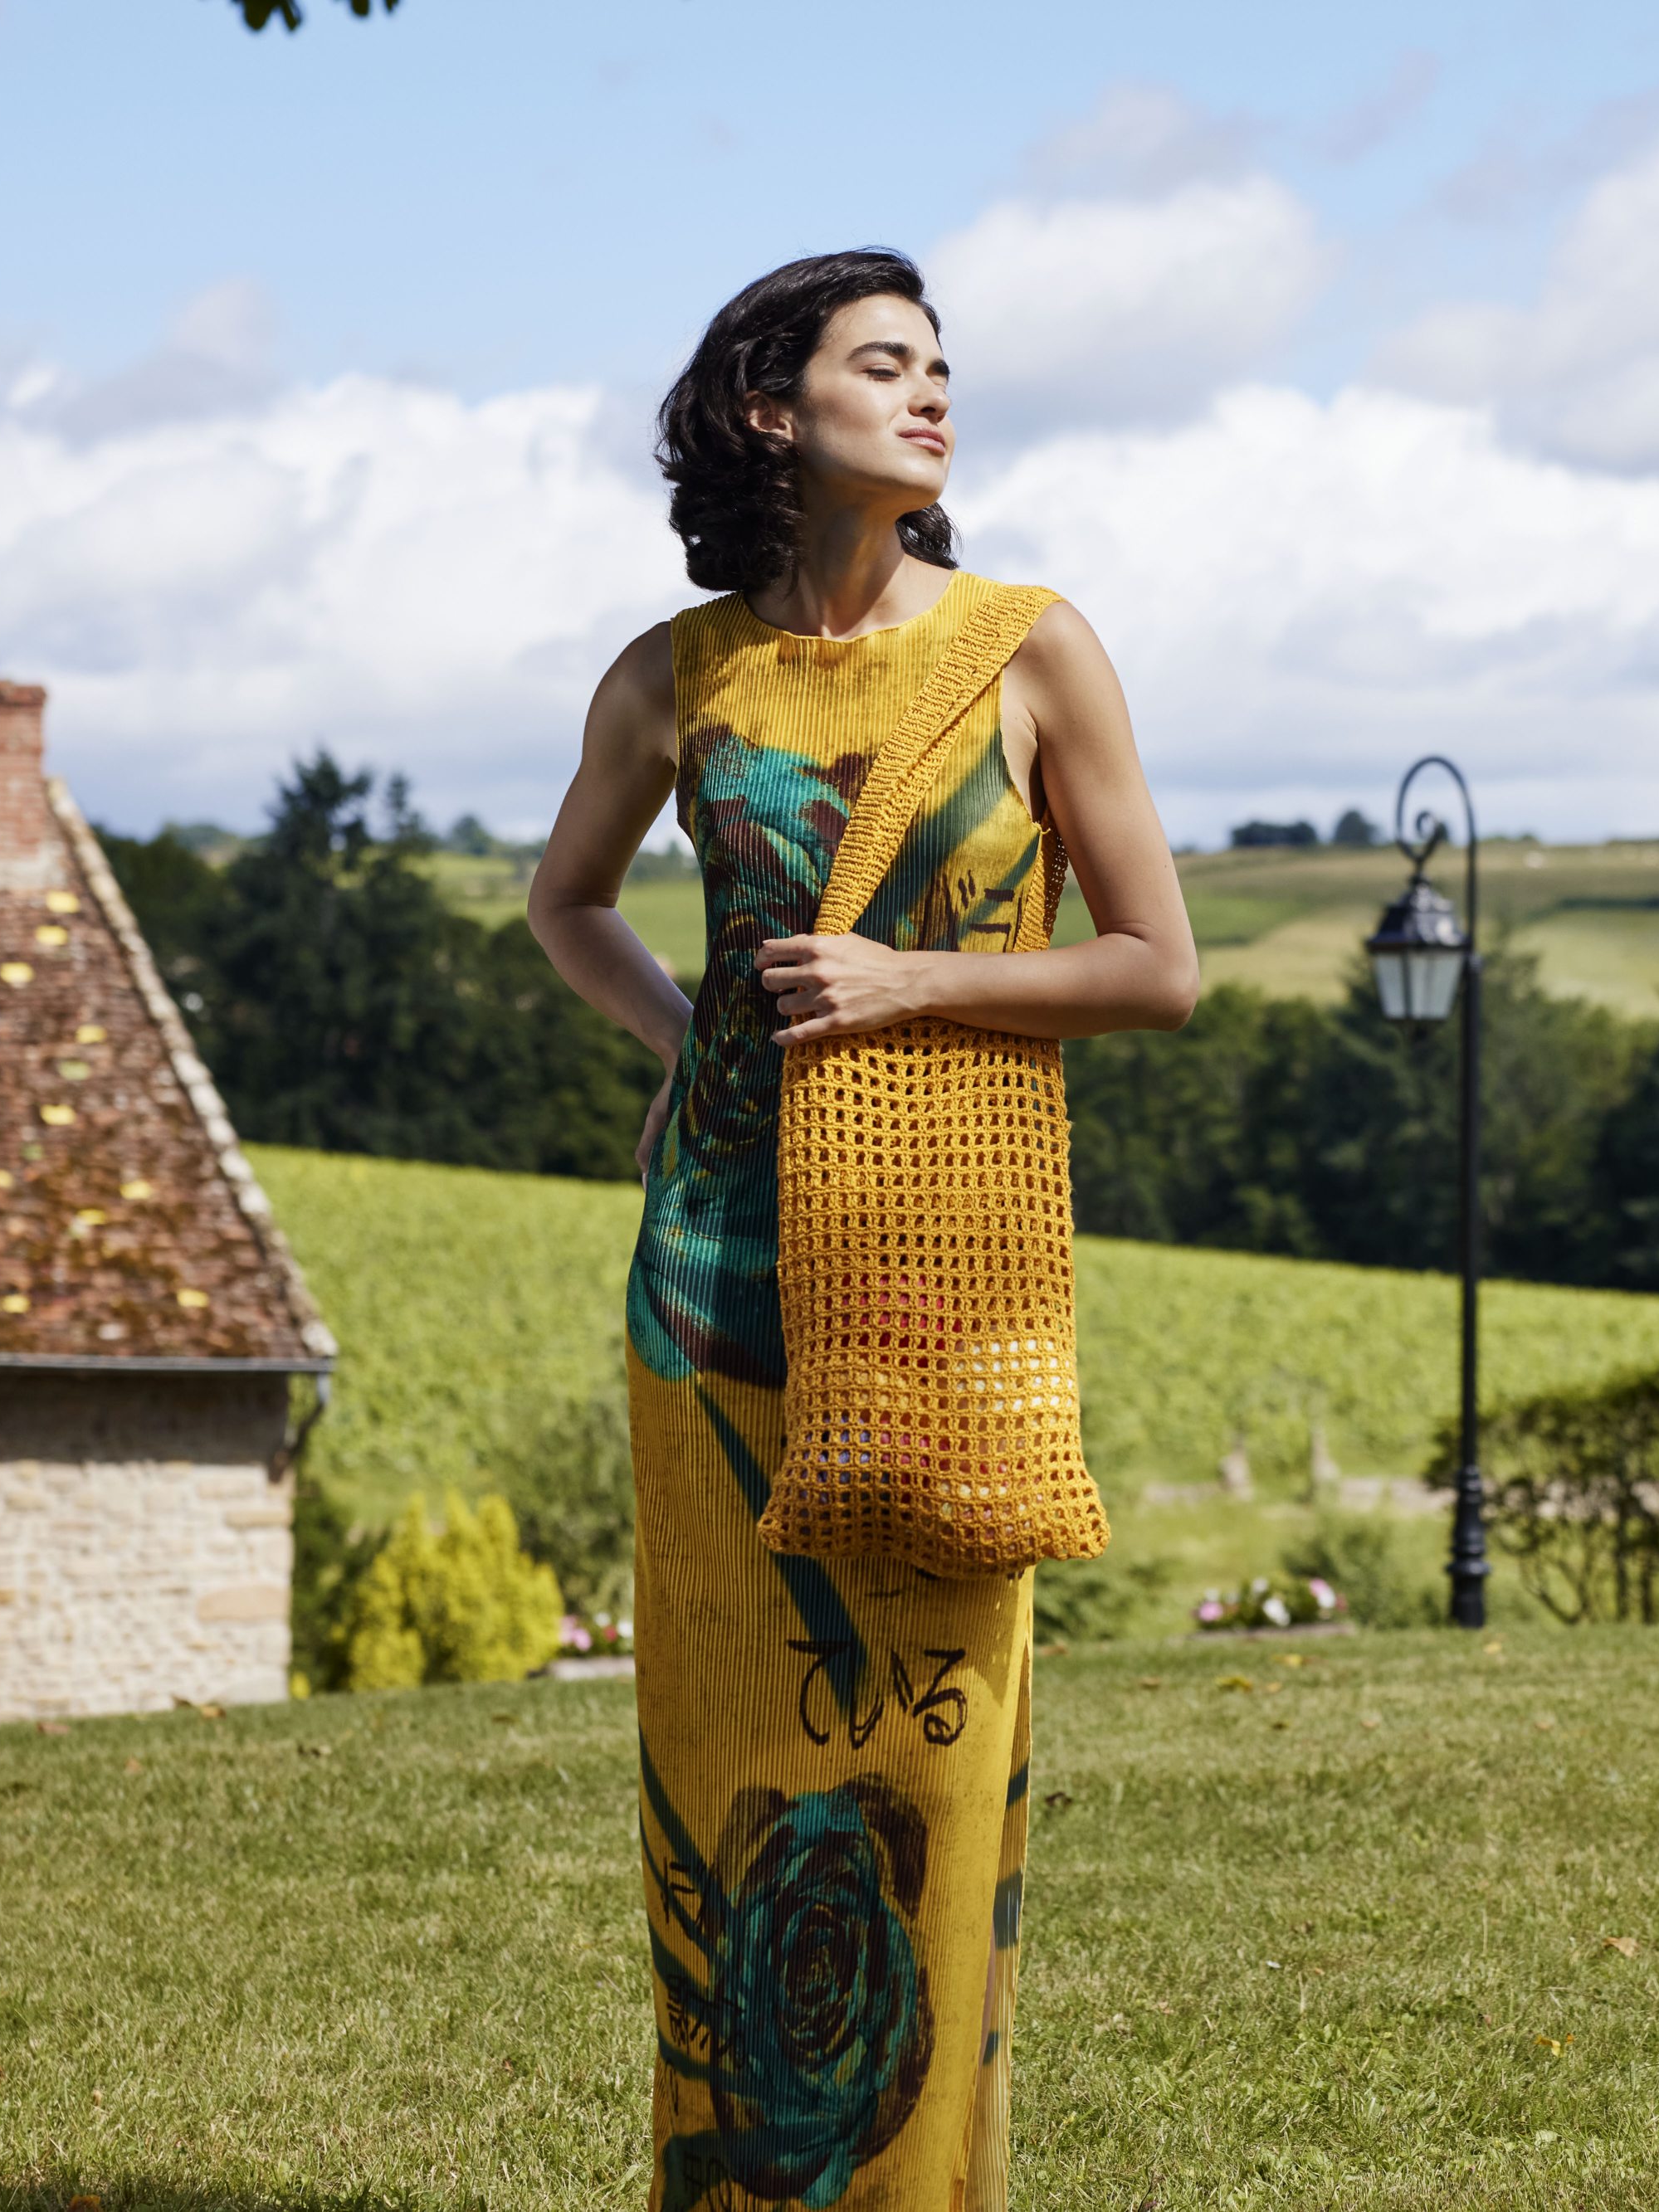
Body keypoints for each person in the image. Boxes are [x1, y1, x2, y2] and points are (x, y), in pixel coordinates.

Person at [527, 249, 1198, 2210]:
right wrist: (686, 1037)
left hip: (943, 1284)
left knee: (927, 1763)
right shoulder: (679, 675)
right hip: (711, 1279)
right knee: (729, 1768)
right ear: (766, 406)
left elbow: (1160, 968)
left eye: (939, 370)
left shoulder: (1026, 646)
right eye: (878, 363)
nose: (929, 396)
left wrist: (907, 988)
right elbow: (565, 900)